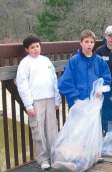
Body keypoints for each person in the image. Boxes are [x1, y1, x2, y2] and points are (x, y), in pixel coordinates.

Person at [16, 36, 61, 170]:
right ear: (27, 50)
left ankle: (55, 156)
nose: (35, 49)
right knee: (38, 130)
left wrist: (57, 98)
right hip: (35, 101)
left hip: (50, 98)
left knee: (52, 129)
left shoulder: (46, 60)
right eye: (32, 47)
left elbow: (54, 80)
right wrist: (28, 104)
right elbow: (22, 84)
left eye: (37, 46)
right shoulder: (25, 63)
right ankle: (43, 159)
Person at [58, 29, 111, 108]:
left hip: (94, 102)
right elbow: (65, 82)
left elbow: (107, 77)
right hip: (78, 103)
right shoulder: (74, 61)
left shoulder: (99, 61)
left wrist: (101, 89)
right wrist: (75, 98)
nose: (89, 44)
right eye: (86, 42)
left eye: (91, 42)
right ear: (81, 43)